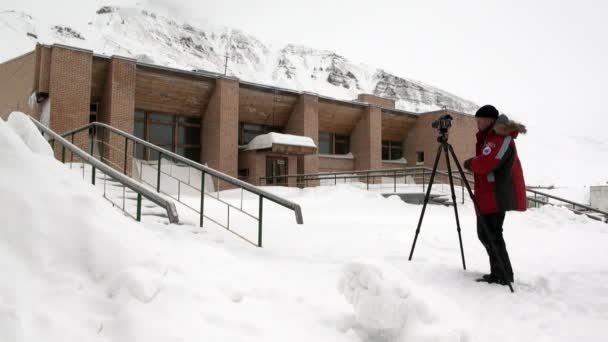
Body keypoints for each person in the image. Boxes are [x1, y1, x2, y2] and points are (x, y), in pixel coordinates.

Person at [463, 104, 527, 286]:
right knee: (487, 234)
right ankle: (499, 272)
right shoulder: (490, 137)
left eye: (480, 120)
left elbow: (486, 163)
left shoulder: (500, 138)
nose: (477, 124)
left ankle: (503, 274)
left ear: (490, 120)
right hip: (488, 194)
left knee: (492, 234)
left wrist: (470, 163)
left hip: (496, 194)